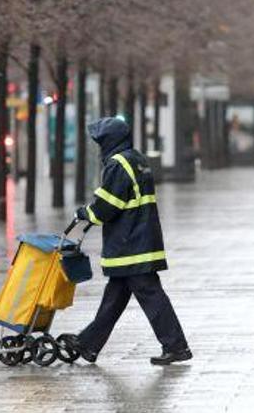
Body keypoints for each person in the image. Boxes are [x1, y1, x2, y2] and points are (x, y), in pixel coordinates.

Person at [64, 117, 191, 366]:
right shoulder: (137, 160)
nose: (99, 146)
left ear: (109, 141)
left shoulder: (118, 164)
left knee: (151, 296)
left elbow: (106, 208)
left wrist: (83, 213)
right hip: (141, 241)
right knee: (114, 298)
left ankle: (176, 346)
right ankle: (88, 344)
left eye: (100, 141)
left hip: (130, 245)